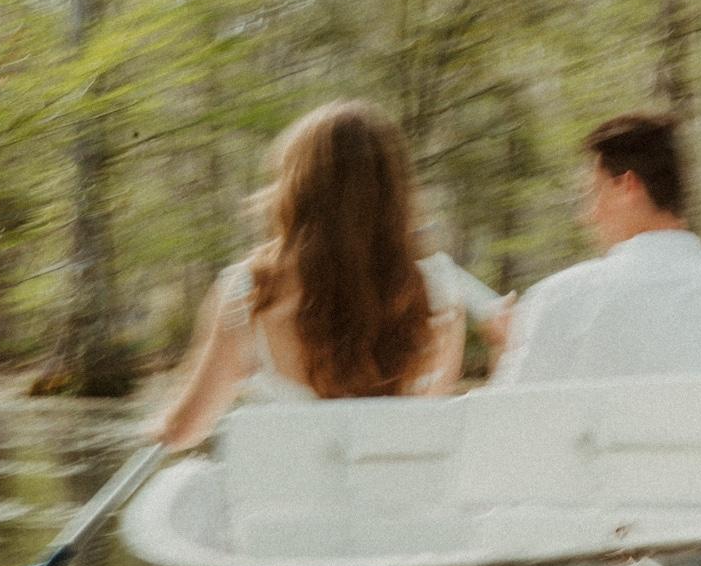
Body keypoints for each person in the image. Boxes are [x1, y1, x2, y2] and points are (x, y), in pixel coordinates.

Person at [155, 100, 469, 450]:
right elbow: (431, 421)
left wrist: (159, 422)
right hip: (401, 483)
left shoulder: (249, 293)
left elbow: (182, 431)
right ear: (394, 191)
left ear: (297, 189)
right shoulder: (439, 290)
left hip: (292, 485)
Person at [492, 112, 701, 385]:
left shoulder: (557, 301)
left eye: (591, 194)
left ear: (627, 186)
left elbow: (509, 425)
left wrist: (513, 347)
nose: (586, 216)